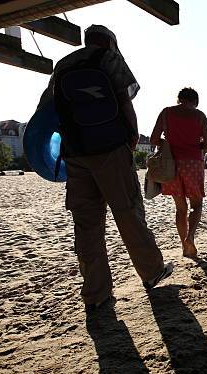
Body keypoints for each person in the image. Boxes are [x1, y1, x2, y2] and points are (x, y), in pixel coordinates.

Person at [37, 25, 172, 311]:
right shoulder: (109, 60)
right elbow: (125, 100)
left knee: (86, 224)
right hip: (111, 148)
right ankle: (151, 272)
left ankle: (96, 294)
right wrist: (132, 136)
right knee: (127, 212)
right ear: (110, 43)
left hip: (75, 153)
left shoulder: (64, 64)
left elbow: (47, 111)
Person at [150, 87, 207, 258]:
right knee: (197, 205)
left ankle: (184, 246)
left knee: (180, 208)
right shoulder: (199, 115)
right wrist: (194, 146)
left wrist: (168, 144)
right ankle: (190, 236)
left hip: (171, 164)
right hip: (193, 164)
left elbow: (154, 139)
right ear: (196, 101)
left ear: (179, 99)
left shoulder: (166, 113)